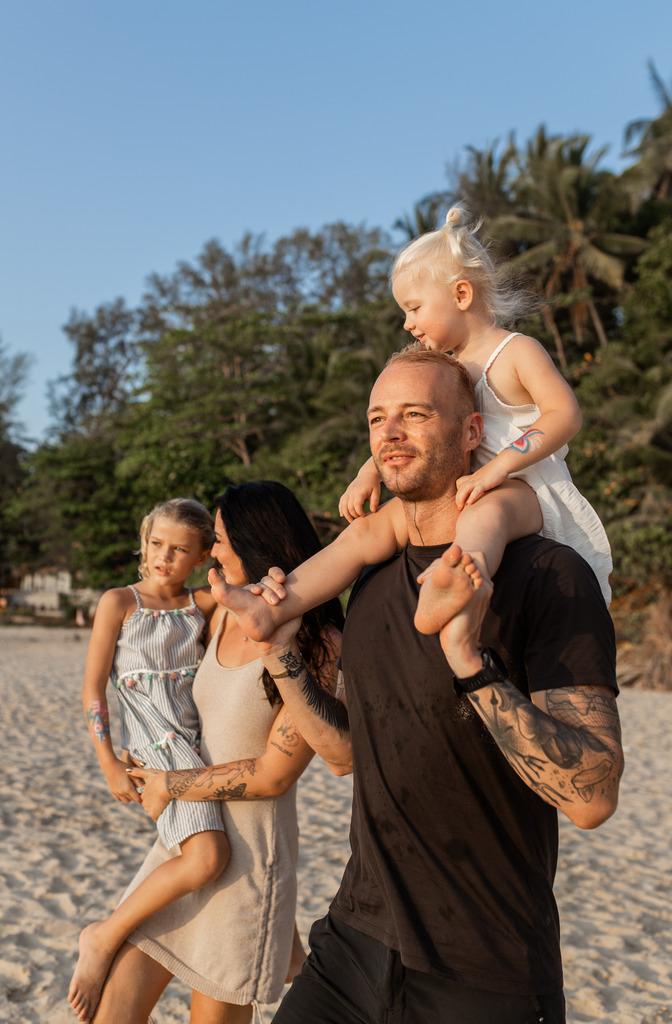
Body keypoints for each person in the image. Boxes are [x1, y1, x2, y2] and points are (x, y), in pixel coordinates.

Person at [214, 347, 624, 1024]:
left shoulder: (549, 576)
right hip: (356, 938)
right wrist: (279, 652)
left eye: (414, 414)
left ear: (472, 432)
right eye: (378, 418)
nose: (390, 432)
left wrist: (469, 661)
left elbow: (593, 797)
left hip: (485, 968)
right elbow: (349, 753)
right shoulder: (373, 575)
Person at [213, 203, 611, 650]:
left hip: (522, 487)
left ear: (461, 296)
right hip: (454, 489)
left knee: (488, 514)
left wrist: (500, 467)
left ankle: (455, 579)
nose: (408, 322)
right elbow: (407, 426)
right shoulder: (446, 368)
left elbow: (565, 415)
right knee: (366, 532)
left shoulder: (515, 351)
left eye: (415, 307)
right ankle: (274, 607)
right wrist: (369, 471)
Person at [85, 482, 344, 1024]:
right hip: (187, 842)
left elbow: (276, 775)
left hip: (249, 859)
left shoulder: (319, 645)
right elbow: (162, 680)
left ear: (255, 542)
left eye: (219, 539)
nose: (211, 553)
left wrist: (169, 784)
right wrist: (132, 750)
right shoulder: (222, 610)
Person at [69, 498, 228, 1023]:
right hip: (154, 749)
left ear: (203, 554)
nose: (164, 557)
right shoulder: (120, 602)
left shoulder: (202, 606)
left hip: (197, 748)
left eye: (180, 549)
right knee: (206, 858)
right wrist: (108, 761)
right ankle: (104, 935)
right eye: (157, 544)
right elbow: (93, 688)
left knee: (205, 861)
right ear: (144, 541)